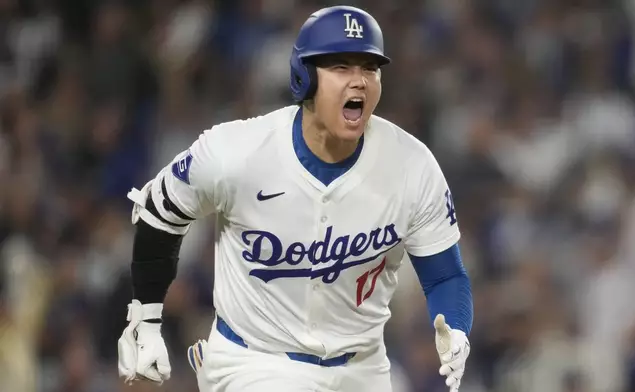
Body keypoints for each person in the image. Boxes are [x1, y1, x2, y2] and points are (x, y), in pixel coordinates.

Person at [117, 5, 473, 392]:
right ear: (304, 77)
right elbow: (160, 211)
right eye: (340, 67)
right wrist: (145, 319)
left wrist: (455, 328)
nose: (359, 82)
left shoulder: (412, 165)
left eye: (368, 68)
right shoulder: (238, 153)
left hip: (364, 367)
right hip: (255, 360)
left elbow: (446, 275)